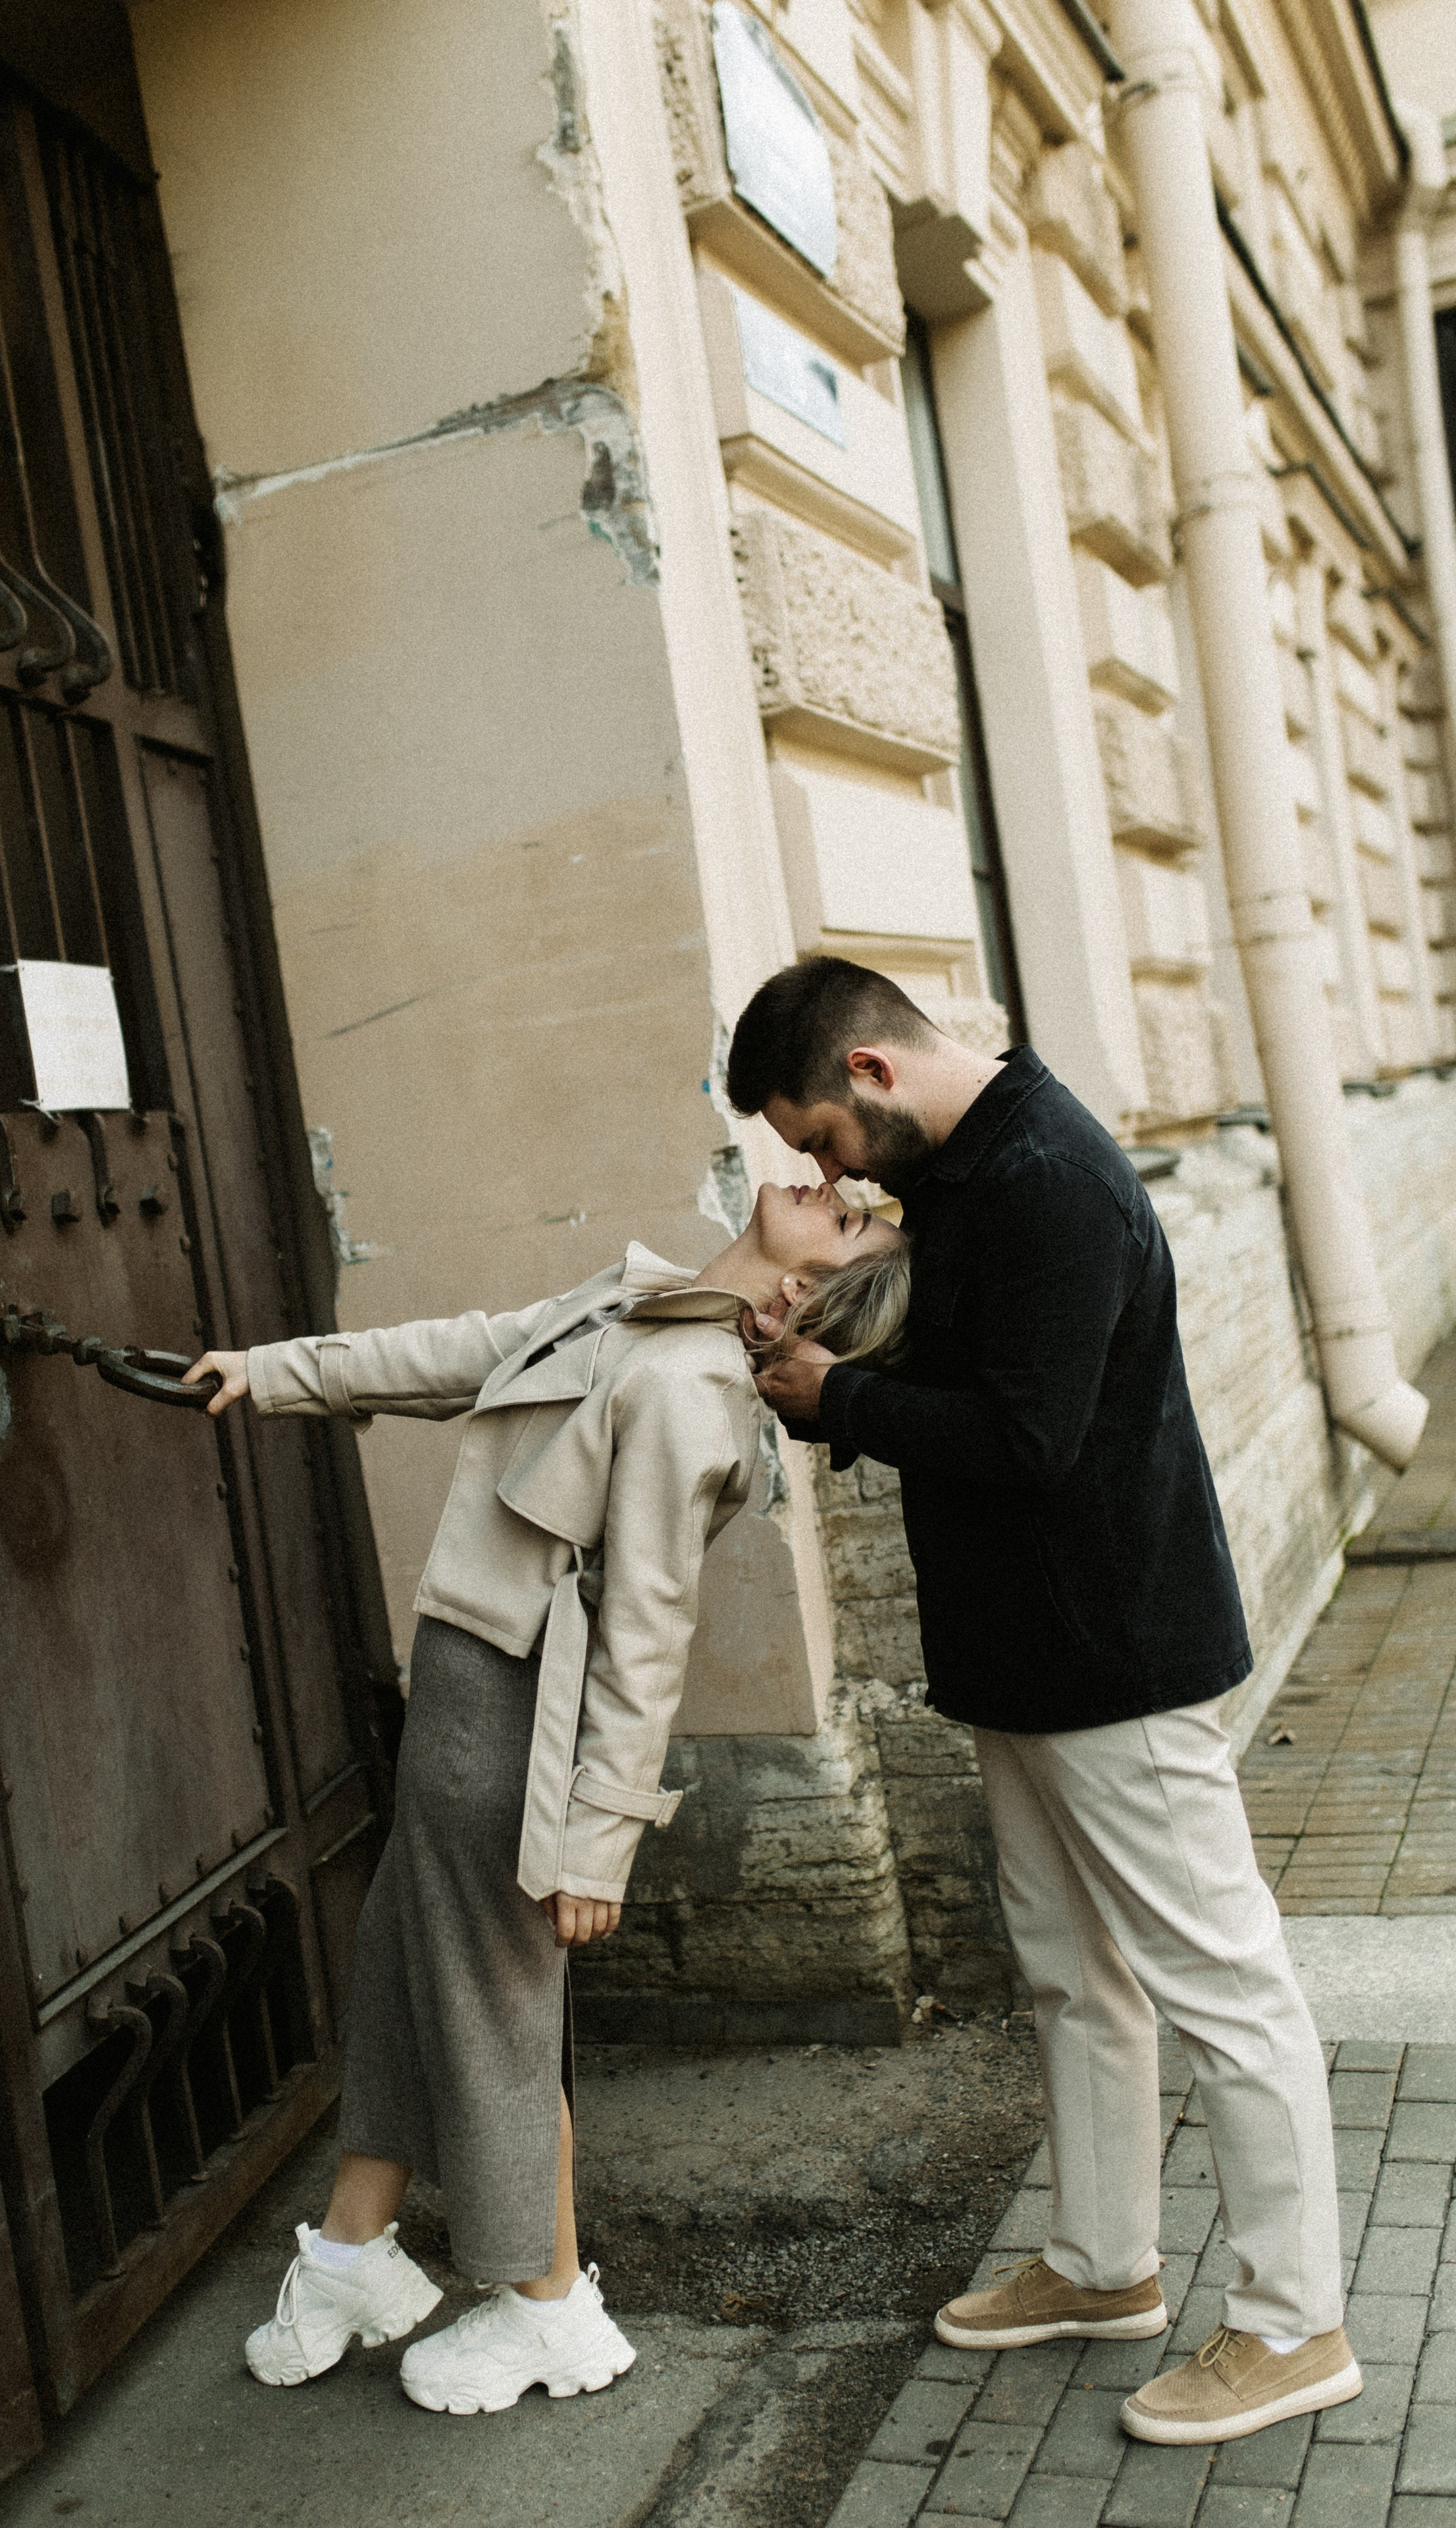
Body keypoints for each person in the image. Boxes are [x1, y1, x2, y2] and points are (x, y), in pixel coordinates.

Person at [732, 957, 1358, 2449]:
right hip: (1019, 1654)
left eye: (821, 1138)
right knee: (1074, 1974)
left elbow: (1028, 1437)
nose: (829, 1172)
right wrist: (820, 1339)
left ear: (872, 1072)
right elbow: (968, 1356)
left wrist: (838, 1399)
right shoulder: (961, 1174)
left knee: (1224, 1984)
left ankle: (1294, 2326)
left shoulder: (1047, 1181)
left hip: (1114, 1656)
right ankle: (1099, 2264)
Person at [184, 1180, 909, 2416]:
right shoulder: (643, 1304)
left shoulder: (691, 1391)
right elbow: (467, 1351)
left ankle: (550, 2305)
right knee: (408, 1962)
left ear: (798, 1293)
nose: (828, 1187)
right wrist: (273, 1372)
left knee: (494, 2007)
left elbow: (648, 1626)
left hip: (524, 1706)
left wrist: (598, 1841)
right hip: (464, 1678)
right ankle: (355, 2253)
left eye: (848, 1220)